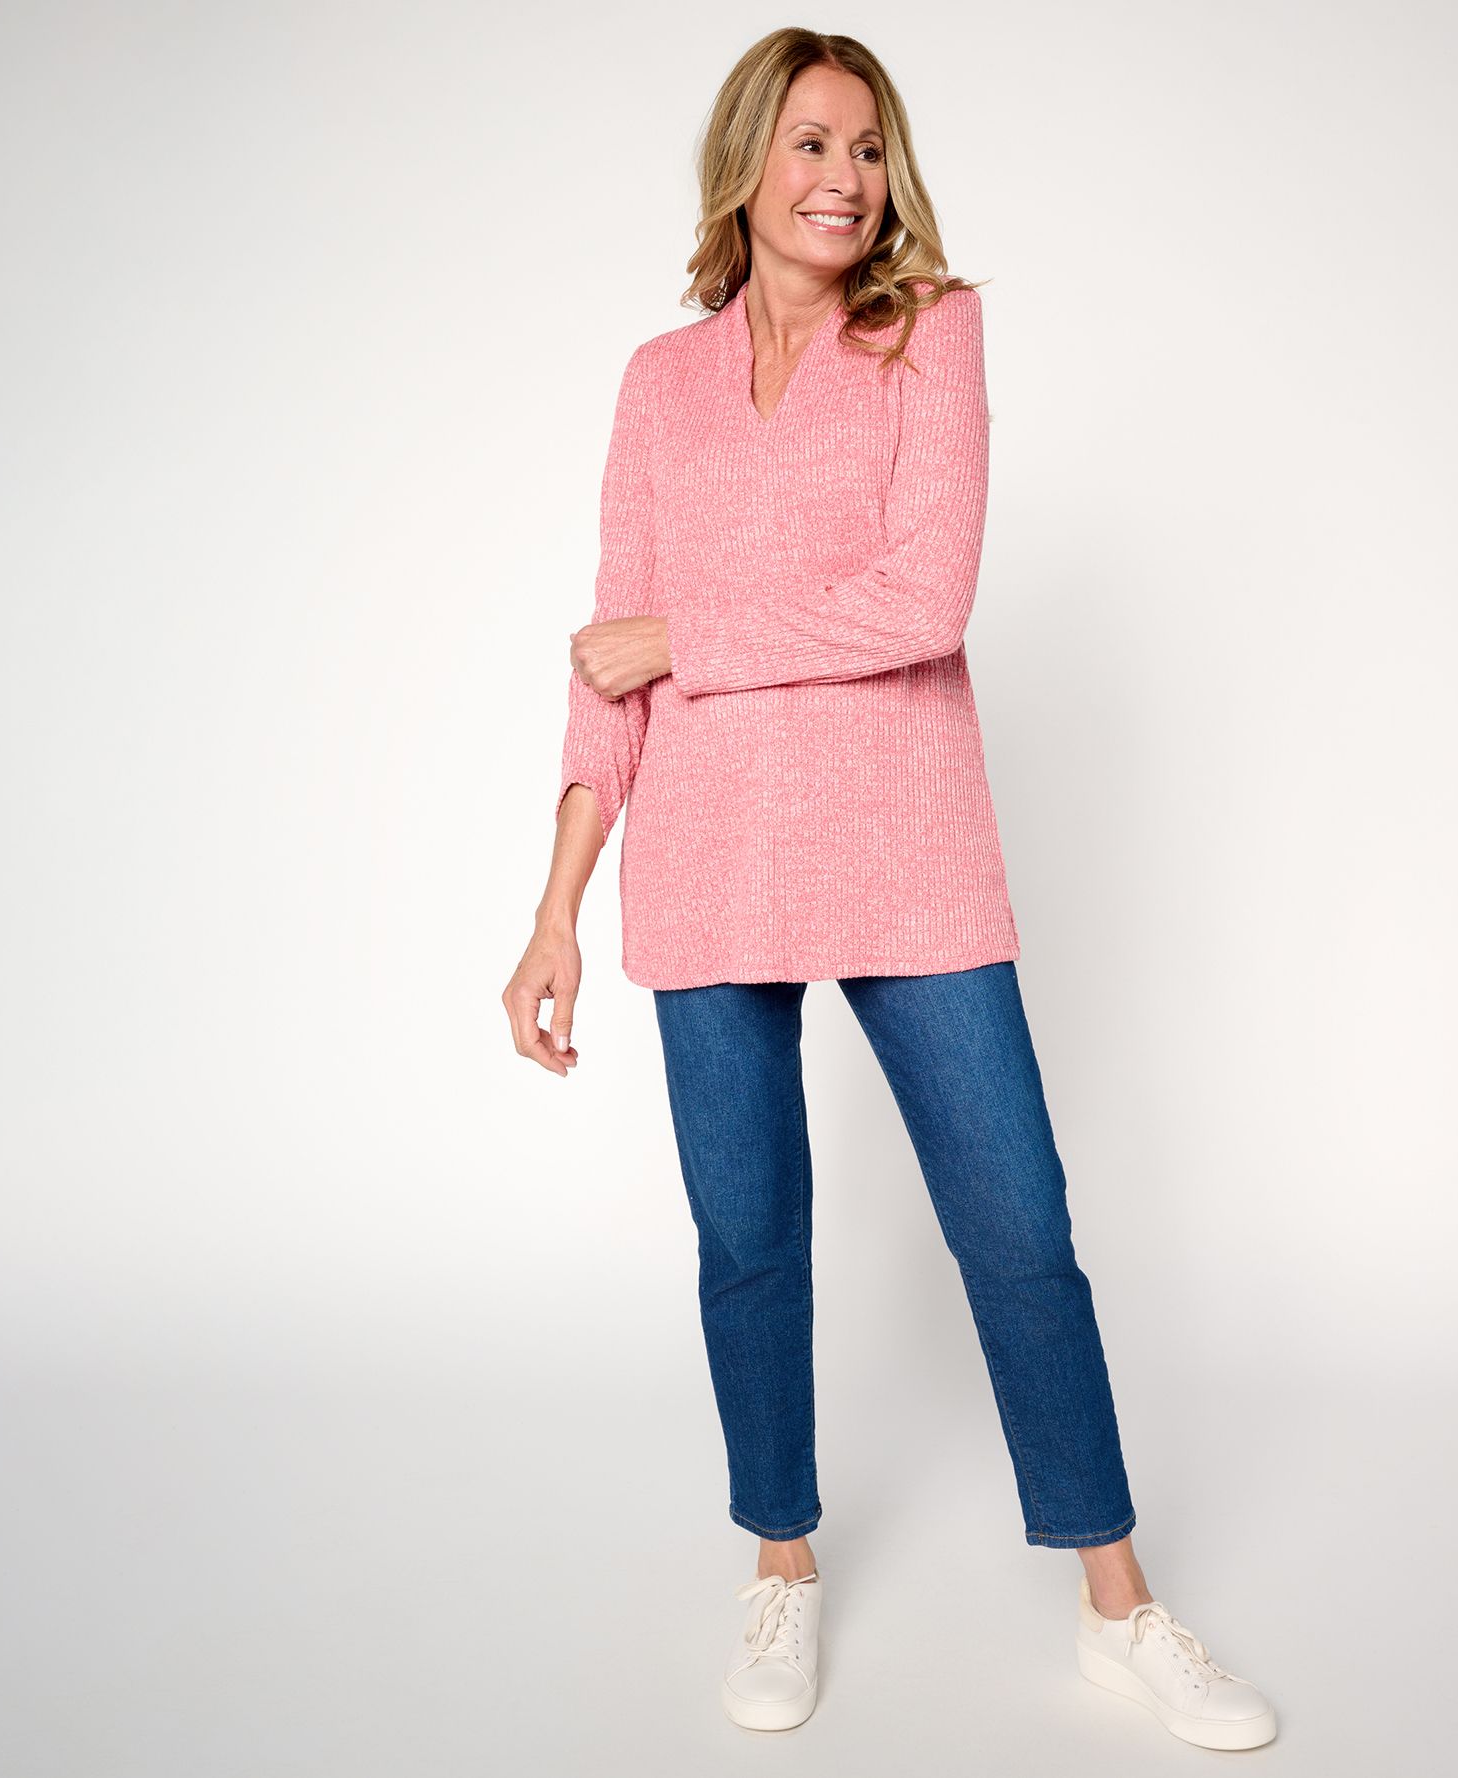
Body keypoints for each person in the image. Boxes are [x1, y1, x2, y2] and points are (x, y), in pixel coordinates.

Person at [502, 27, 1278, 1753]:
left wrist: (686, 638)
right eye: (811, 143)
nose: (845, 178)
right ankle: (780, 1559)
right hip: (704, 862)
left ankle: (1119, 1602)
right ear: (745, 164)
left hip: (905, 852)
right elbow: (606, 666)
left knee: (1019, 1228)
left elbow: (923, 600)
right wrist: (556, 908)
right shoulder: (659, 383)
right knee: (747, 1239)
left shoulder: (932, 332)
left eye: (868, 148)